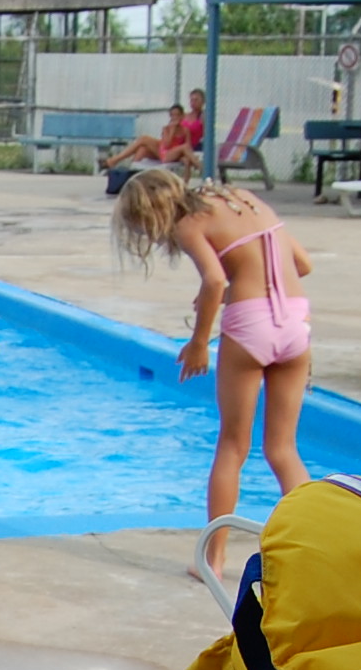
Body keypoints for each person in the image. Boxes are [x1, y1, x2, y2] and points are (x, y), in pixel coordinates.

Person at [112, 168, 314, 569]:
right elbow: (303, 264)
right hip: (296, 322)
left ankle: (214, 559)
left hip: (251, 327)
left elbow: (215, 280)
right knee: (283, 449)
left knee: (232, 447)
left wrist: (199, 342)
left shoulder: (190, 224)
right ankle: (316, 550)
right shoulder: (245, 200)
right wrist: (247, 279)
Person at [104, 91, 206, 175]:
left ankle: (115, 160)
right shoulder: (183, 115)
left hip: (180, 149)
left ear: (203, 101)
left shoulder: (203, 117)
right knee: (142, 149)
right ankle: (130, 176)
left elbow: (203, 136)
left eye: (196, 100)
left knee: (144, 139)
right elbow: (168, 134)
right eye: (191, 100)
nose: (193, 102)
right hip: (168, 146)